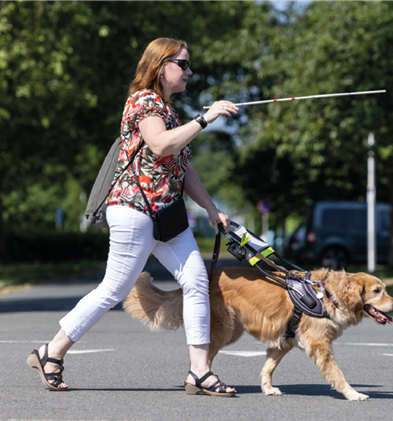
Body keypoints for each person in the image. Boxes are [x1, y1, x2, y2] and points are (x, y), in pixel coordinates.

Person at [26, 38, 239, 397]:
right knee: (114, 289)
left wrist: (211, 207)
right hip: (134, 211)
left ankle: (200, 371)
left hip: (167, 217)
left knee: (195, 280)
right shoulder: (143, 101)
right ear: (160, 66)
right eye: (183, 64)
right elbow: (160, 145)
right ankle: (52, 351)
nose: (190, 71)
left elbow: (182, 169)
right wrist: (206, 118)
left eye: (189, 65)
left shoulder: (170, 112)